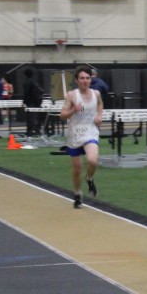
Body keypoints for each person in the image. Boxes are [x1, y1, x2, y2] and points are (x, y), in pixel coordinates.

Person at [59, 66, 104, 209]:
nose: (85, 81)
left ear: (91, 79)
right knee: (77, 169)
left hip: (91, 131)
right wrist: (74, 109)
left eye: (87, 78)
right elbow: (62, 115)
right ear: (76, 80)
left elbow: (100, 104)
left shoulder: (96, 93)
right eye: (82, 78)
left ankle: (89, 178)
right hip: (75, 134)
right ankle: (77, 193)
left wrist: (99, 116)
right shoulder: (72, 95)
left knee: (92, 160)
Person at [22, 68, 44, 137]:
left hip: (29, 102)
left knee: (30, 117)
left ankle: (30, 131)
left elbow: (26, 93)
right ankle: (37, 130)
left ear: (25, 74)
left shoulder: (26, 82)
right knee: (35, 116)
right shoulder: (34, 82)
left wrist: (24, 101)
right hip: (36, 101)